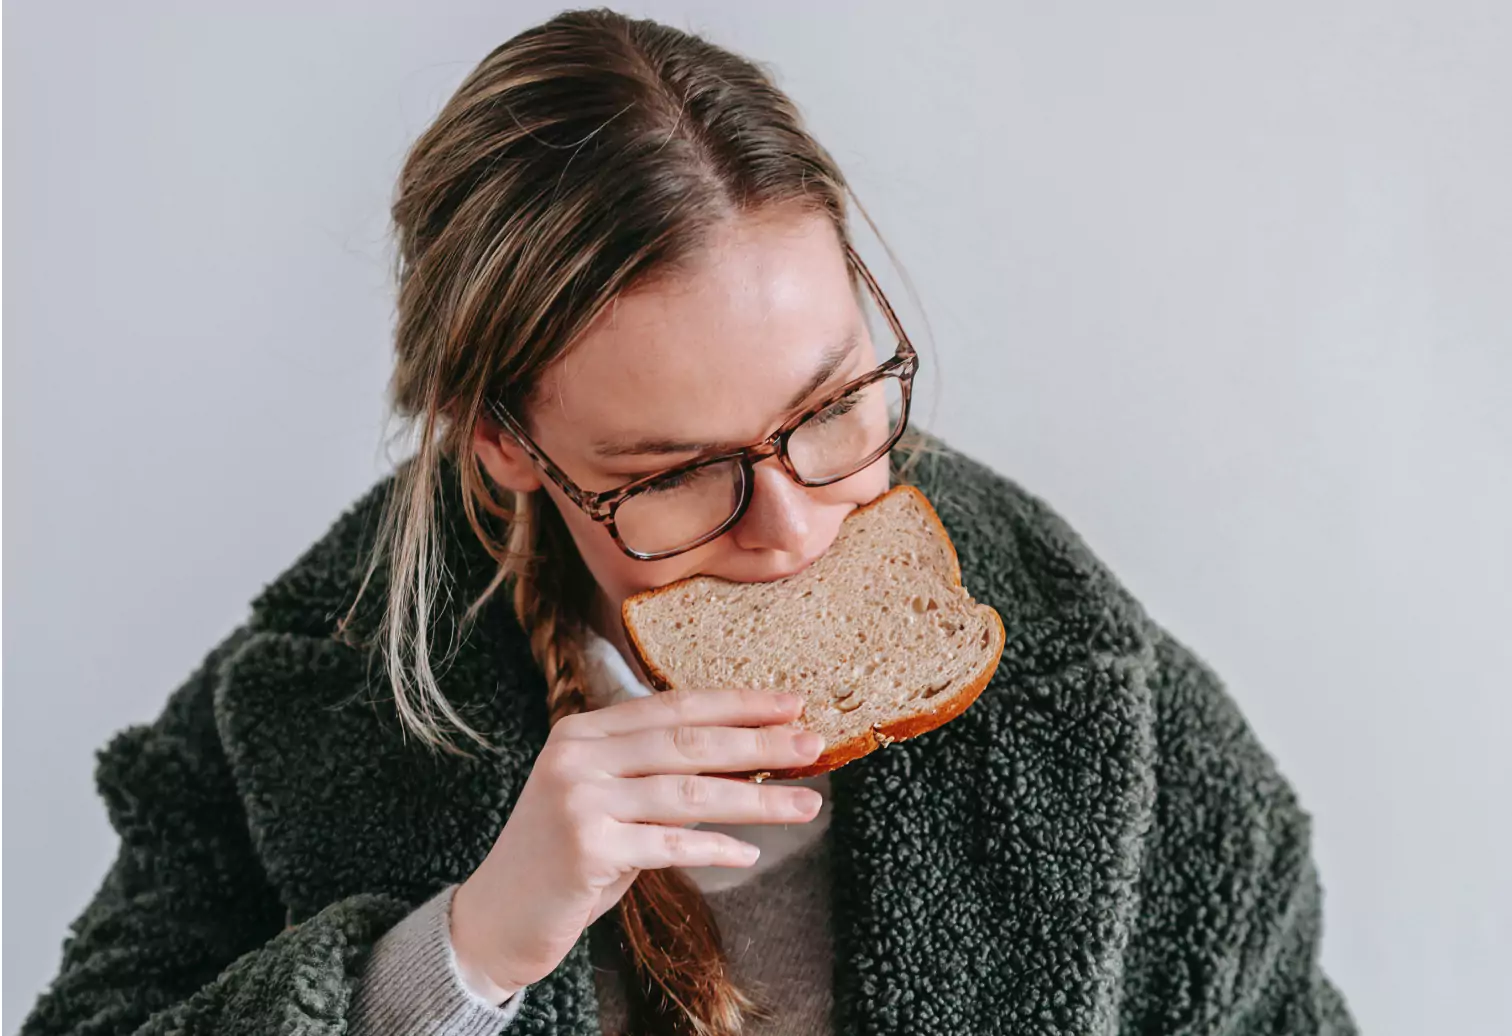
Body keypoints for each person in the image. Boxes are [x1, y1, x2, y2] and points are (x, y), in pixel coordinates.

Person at [20, 9, 1356, 1036]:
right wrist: (464, 954)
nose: (785, 523)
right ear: (504, 442)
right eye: (673, 471)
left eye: (833, 404)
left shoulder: (1112, 714)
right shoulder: (308, 699)